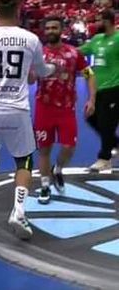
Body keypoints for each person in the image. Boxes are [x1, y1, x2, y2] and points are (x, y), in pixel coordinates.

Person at [0, 0, 56, 240]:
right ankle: (18, 211)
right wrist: (53, 68)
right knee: (23, 161)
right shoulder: (30, 39)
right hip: (17, 109)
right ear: (17, 12)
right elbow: (40, 71)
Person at [32, 17, 96, 204]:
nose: (51, 31)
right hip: (43, 108)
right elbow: (30, 79)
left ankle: (58, 169)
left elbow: (89, 75)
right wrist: (31, 73)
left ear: (62, 30)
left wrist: (91, 99)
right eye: (48, 28)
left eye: (54, 27)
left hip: (66, 108)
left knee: (69, 146)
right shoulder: (38, 54)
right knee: (44, 149)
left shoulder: (74, 53)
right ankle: (45, 186)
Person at [79, 9, 119, 172]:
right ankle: (115, 144)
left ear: (107, 21)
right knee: (90, 118)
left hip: (115, 87)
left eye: (98, 20)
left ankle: (104, 158)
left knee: (106, 123)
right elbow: (78, 53)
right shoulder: (96, 39)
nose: (95, 24)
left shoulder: (118, 38)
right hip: (97, 88)